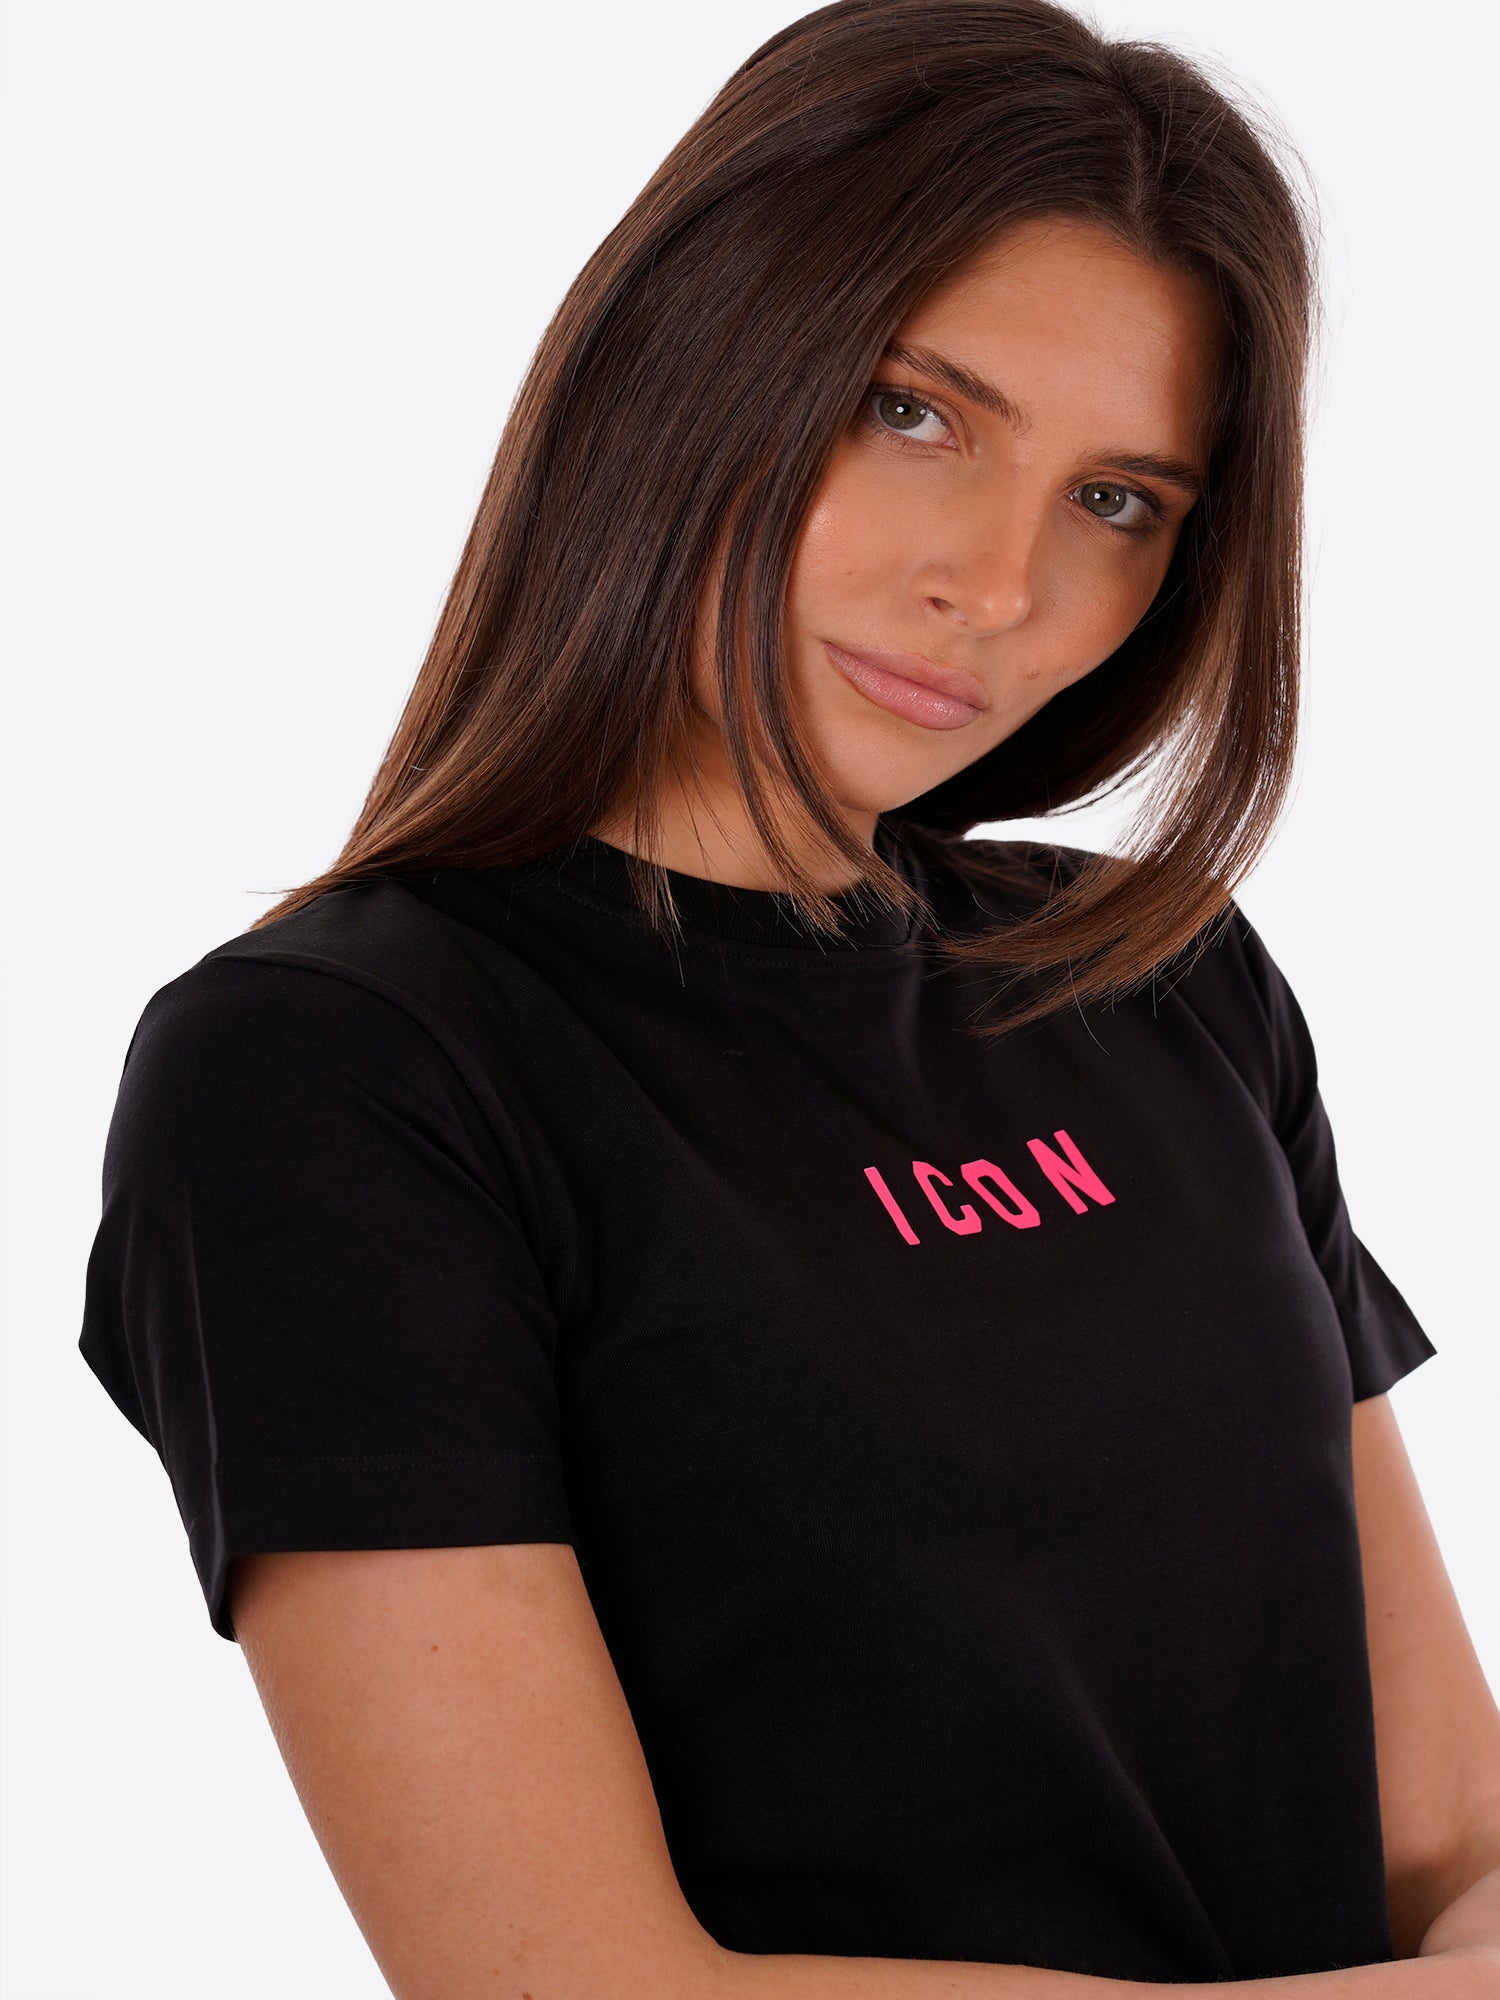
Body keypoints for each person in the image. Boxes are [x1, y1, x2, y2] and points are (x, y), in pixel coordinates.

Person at [76, 0, 1500, 1993]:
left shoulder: (1160, 976)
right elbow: (570, 1982)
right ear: (696, 354)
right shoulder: (331, 1075)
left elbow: (1454, 1831)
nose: (997, 584)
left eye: (1118, 502)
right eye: (916, 412)